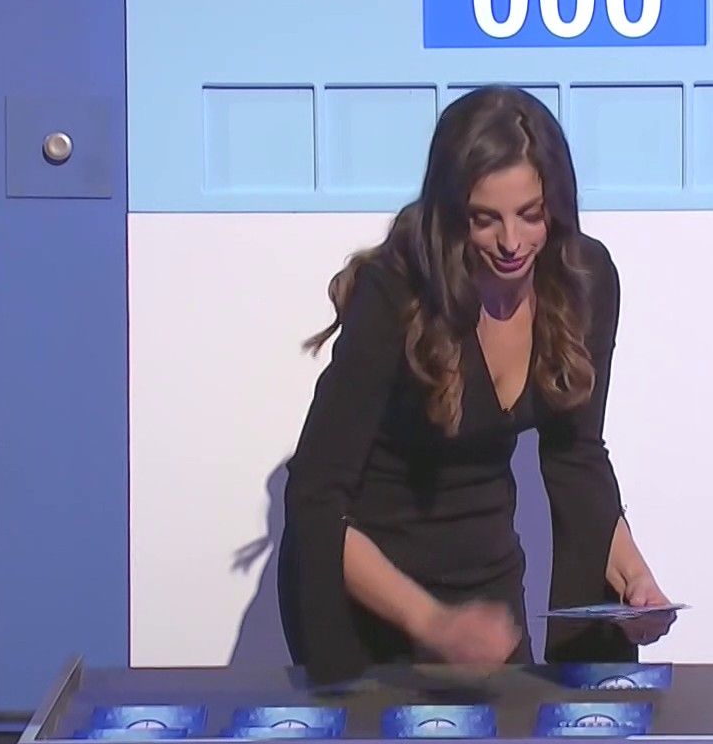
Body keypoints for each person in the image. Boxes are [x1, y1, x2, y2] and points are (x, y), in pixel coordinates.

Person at [277, 85, 674, 687]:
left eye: (531, 214)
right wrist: (432, 624)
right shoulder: (396, 291)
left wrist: (634, 582)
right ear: (451, 213)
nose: (512, 243)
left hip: (483, 597)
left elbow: (575, 457)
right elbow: (316, 496)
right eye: (485, 219)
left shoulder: (584, 280)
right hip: (368, 594)